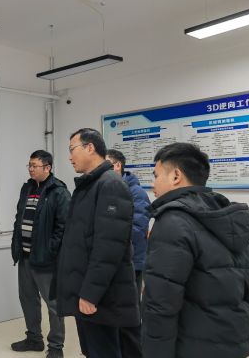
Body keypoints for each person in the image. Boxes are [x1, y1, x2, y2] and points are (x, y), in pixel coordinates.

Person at [142, 142, 249, 358]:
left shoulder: (173, 221)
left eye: (156, 176)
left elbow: (161, 303)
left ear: (176, 176)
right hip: (234, 338)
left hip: (194, 346)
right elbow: (245, 288)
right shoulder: (227, 215)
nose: (153, 184)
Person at [52, 128, 139, 358]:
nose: (69, 157)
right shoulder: (90, 184)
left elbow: (108, 247)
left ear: (90, 148)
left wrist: (90, 293)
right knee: (91, 351)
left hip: (101, 295)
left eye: (72, 149)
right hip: (87, 289)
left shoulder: (110, 184)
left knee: (103, 351)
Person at [11, 150, 71, 358]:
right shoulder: (27, 188)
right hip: (25, 256)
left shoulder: (59, 192)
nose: (30, 169)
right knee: (28, 299)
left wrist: (50, 251)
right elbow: (19, 218)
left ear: (48, 167)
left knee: (53, 305)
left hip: (46, 259)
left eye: (34, 166)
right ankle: (34, 339)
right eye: (29, 165)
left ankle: (56, 346)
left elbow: (64, 227)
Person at [106, 149, 150, 358]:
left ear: (117, 166)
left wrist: (108, 241)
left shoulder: (137, 193)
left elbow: (137, 230)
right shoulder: (108, 189)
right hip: (112, 261)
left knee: (130, 315)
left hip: (132, 262)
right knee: (114, 313)